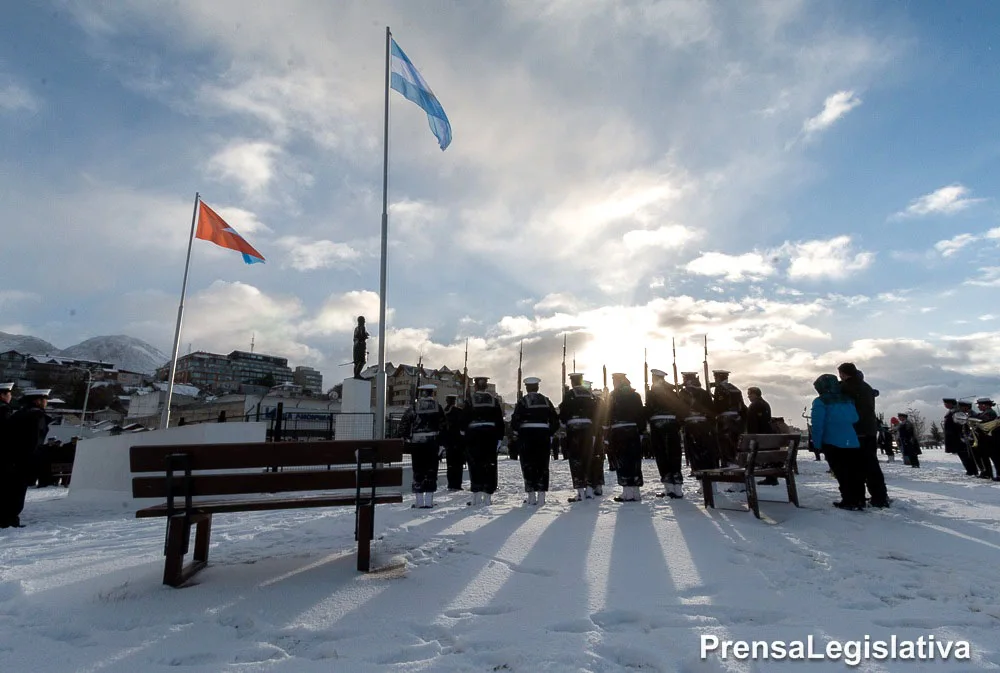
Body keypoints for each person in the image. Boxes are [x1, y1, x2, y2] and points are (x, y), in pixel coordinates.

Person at [837, 363, 890, 508]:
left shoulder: (847, 388)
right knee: (871, 464)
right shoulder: (865, 386)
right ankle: (879, 496)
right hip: (870, 430)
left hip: (856, 431)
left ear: (843, 373)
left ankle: (858, 498)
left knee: (855, 467)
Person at [811, 375, 864, 510]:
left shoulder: (820, 402)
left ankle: (848, 500)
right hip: (851, 440)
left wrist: (816, 444)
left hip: (832, 441)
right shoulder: (848, 400)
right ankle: (859, 499)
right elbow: (855, 418)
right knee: (855, 471)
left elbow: (817, 425)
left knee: (841, 472)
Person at [1, 389, 52, 528]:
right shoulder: (36, 416)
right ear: (37, 400)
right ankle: (9, 521)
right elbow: (34, 442)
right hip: (22, 462)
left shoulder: (19, 413)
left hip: (9, 460)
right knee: (16, 494)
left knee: (7, 491)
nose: (46, 402)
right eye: (44, 399)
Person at [510, 377, 559, 506]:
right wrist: (549, 432)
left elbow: (515, 421)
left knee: (528, 465)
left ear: (527, 388)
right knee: (543, 465)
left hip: (527, 435)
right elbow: (555, 420)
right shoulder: (546, 401)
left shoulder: (522, 401)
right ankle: (541, 496)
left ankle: (531, 496)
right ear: (538, 387)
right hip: (543, 435)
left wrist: (518, 431)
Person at [464, 376, 504, 506]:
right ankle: (488, 498)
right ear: (486, 386)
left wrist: (464, 434)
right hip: (490, 435)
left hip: (474, 436)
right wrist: (499, 437)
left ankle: (476, 497)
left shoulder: (470, 400)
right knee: (490, 466)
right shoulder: (494, 400)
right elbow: (499, 420)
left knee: (475, 465)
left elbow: (464, 419)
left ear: (475, 386)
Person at [403, 384, 445, 508]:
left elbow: (404, 423)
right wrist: (442, 443)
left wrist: (407, 437)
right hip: (432, 443)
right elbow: (444, 425)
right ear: (432, 394)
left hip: (417, 444)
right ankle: (429, 501)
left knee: (418, 470)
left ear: (421, 394)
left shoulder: (414, 407)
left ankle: (419, 501)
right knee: (431, 471)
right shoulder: (438, 407)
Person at [645, 369, 685, 498]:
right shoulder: (672, 392)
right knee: (674, 454)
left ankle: (669, 488)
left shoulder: (652, 393)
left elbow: (649, 409)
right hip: (672, 424)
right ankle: (678, 488)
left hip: (657, 425)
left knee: (662, 455)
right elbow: (680, 409)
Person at [560, 372, 598, 502]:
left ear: (572, 382)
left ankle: (580, 492)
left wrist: (565, 421)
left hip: (574, 429)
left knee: (576, 460)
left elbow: (563, 412)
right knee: (588, 458)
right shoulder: (590, 395)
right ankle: (590, 490)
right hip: (588, 428)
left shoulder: (570, 395)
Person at [608, 373, 646, 502]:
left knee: (623, 461)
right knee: (635, 461)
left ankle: (627, 493)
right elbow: (641, 414)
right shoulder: (635, 395)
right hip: (633, 431)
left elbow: (607, 414)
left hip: (619, 431)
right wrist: (641, 431)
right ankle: (636, 492)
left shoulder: (613, 396)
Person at [678, 372, 718, 473]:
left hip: (691, 425)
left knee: (695, 454)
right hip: (704, 425)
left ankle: (701, 477)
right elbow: (711, 411)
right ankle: (709, 475)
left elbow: (679, 409)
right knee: (706, 452)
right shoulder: (704, 392)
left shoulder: (683, 393)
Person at [745, 387, 781, 485]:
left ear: (756, 394)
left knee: (761, 456)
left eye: (750, 394)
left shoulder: (754, 405)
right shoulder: (765, 404)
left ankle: (769, 477)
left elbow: (752, 424)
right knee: (768, 457)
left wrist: (751, 438)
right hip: (768, 437)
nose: (748, 396)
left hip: (760, 438)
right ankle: (771, 477)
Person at [712, 370, 747, 467]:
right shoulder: (735, 389)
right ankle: (735, 461)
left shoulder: (719, 389)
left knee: (724, 443)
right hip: (736, 419)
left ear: (718, 378)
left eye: (715, 378)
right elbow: (742, 406)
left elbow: (717, 406)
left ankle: (728, 463)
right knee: (734, 442)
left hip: (725, 419)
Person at [943, 398, 976, 476]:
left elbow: (961, 425)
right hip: (955, 437)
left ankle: (971, 471)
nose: (945, 405)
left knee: (965, 455)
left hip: (958, 437)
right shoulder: (953, 411)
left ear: (951, 403)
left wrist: (961, 436)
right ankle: (970, 470)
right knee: (963, 455)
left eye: (946, 403)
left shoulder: (956, 412)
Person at [442, 393, 466, 490]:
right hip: (458, 441)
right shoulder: (459, 411)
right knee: (458, 465)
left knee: (450, 464)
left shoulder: (444, 412)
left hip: (449, 442)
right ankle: (457, 484)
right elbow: (463, 426)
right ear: (454, 401)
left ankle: (451, 484)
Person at [972, 398, 998, 479]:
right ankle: (987, 473)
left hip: (990, 440)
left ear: (984, 405)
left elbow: (983, 423)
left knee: (995, 458)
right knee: (984, 457)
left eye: (979, 405)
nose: (978, 407)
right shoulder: (985, 413)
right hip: (985, 440)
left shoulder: (989, 413)